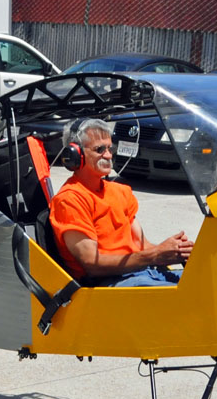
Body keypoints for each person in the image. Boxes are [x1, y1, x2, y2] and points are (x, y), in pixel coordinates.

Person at [49, 118, 194, 287]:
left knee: (207, 282)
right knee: (189, 299)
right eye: (100, 149)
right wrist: (154, 255)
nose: (109, 155)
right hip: (107, 283)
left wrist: (174, 251)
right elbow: (92, 264)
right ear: (75, 155)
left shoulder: (119, 191)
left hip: (141, 273)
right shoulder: (70, 200)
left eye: (110, 148)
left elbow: (142, 245)